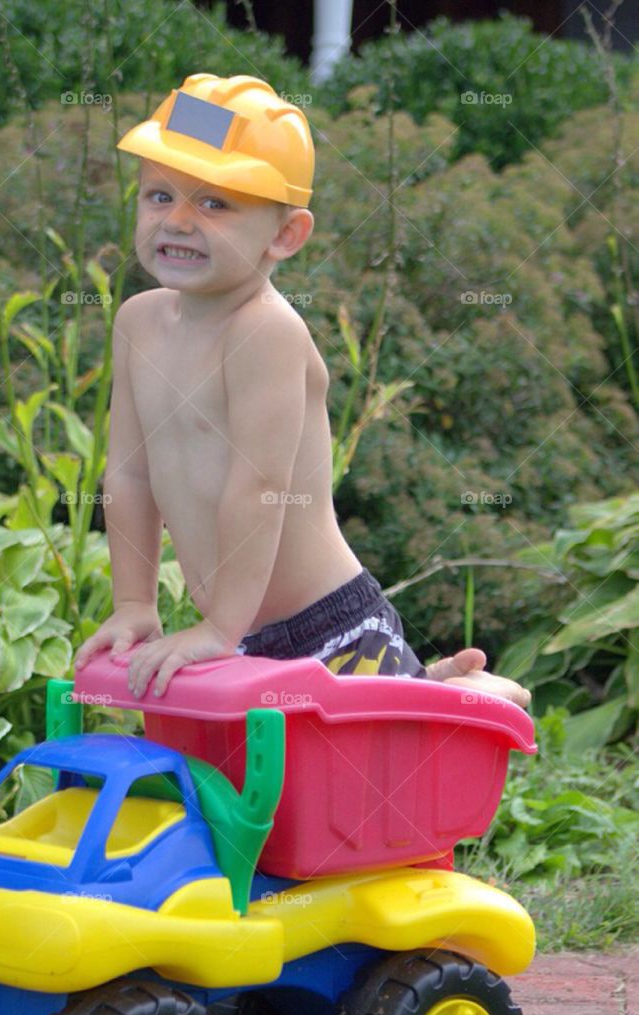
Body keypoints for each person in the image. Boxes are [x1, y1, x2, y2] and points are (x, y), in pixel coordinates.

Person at [74, 73, 531, 709]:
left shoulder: (264, 331)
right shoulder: (137, 322)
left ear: (285, 236)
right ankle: (430, 684)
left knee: (391, 771)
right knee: (269, 801)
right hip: (237, 632)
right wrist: (134, 604)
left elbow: (259, 487)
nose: (176, 220)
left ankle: (479, 692)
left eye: (215, 204)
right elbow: (127, 476)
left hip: (329, 631)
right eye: (158, 195)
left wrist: (219, 629)